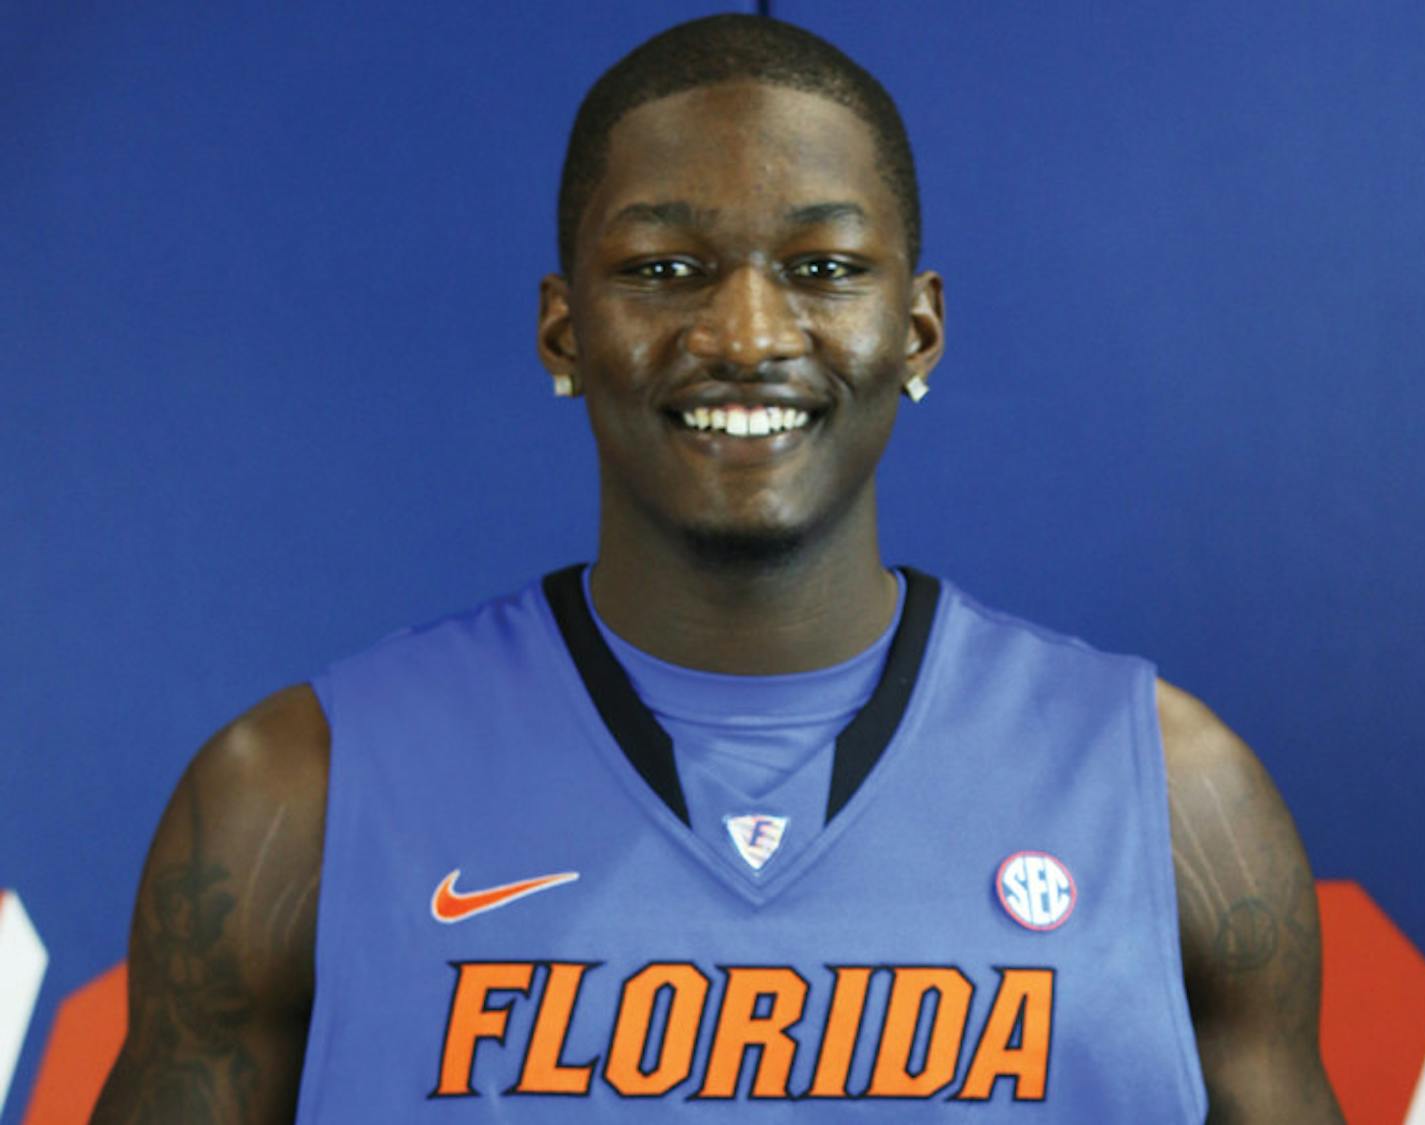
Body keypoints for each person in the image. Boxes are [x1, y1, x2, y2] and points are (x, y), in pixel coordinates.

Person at [93, 14, 1344, 1123]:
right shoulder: (296, 799)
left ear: (918, 328)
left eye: (823, 269)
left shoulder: (1175, 800)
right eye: (663, 271)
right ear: (564, 327)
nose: (745, 334)